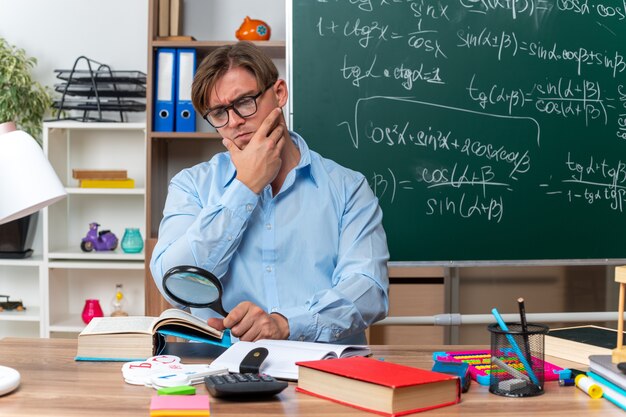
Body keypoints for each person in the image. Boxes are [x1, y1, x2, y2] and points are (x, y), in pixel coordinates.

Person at [150, 41, 389, 345]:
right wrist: (245, 187)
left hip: (324, 372)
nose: (234, 121)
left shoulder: (348, 187)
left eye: (245, 102)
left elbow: (369, 290)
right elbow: (174, 283)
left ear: (279, 94)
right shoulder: (191, 186)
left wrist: (286, 324)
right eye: (219, 113)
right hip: (226, 370)